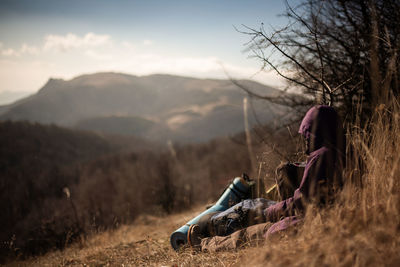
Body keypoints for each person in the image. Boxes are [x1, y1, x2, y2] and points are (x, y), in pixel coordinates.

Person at [187, 105, 346, 252]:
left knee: (253, 234)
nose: (304, 143)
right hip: (320, 219)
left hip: (307, 223)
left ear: (314, 134)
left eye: (306, 136)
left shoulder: (322, 157)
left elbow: (302, 203)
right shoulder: (343, 151)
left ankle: (202, 245)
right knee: (261, 210)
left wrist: (269, 212)